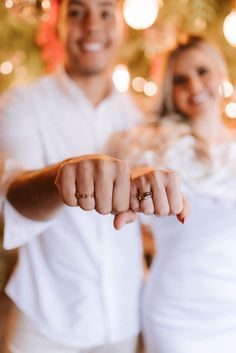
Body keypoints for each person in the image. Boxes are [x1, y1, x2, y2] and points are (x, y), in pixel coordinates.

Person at [0, 1, 189, 353]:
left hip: (122, 321)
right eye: (77, 12)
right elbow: (13, 197)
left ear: (122, 26)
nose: (92, 25)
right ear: (57, 26)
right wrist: (62, 177)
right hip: (44, 322)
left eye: (105, 12)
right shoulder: (21, 103)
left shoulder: (142, 116)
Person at [115, 35, 236, 353]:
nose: (194, 85)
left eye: (202, 71)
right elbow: (126, 211)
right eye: (180, 79)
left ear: (221, 73)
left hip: (231, 312)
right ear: (170, 92)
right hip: (175, 314)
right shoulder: (149, 148)